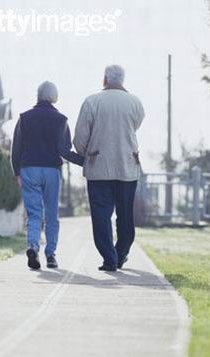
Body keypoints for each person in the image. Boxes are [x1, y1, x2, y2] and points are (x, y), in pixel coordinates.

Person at [74, 65, 145, 272]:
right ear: (122, 80)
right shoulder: (135, 102)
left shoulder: (92, 101)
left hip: (98, 168)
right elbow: (135, 125)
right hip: (127, 166)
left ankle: (109, 258)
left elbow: (80, 138)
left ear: (104, 79)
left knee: (101, 216)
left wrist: (85, 153)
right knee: (125, 215)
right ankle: (121, 253)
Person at [11, 81, 83, 270]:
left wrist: (16, 172)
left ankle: (33, 246)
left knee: (34, 214)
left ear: (38, 95)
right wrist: (85, 161)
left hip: (29, 169)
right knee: (52, 214)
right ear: (54, 97)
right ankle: (50, 255)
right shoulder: (61, 119)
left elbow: (16, 147)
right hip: (51, 170)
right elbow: (64, 150)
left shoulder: (24, 118)